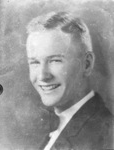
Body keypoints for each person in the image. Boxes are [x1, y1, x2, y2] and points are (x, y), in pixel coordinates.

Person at [26, 11, 114, 150]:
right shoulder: (53, 127)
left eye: (55, 60)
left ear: (86, 64)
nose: (42, 76)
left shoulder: (105, 134)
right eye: (35, 62)